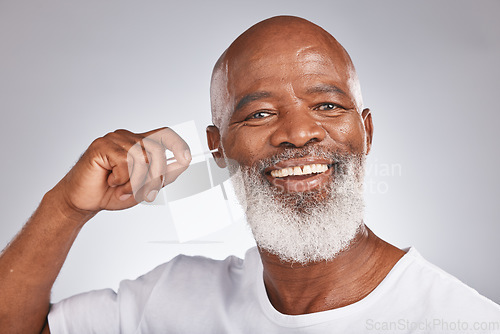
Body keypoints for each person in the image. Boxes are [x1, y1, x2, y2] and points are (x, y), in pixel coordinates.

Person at [0, 15, 499, 334]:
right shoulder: (175, 299)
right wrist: (65, 206)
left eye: (327, 105)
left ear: (365, 132)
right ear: (218, 148)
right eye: (259, 113)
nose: (299, 133)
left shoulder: (460, 322)